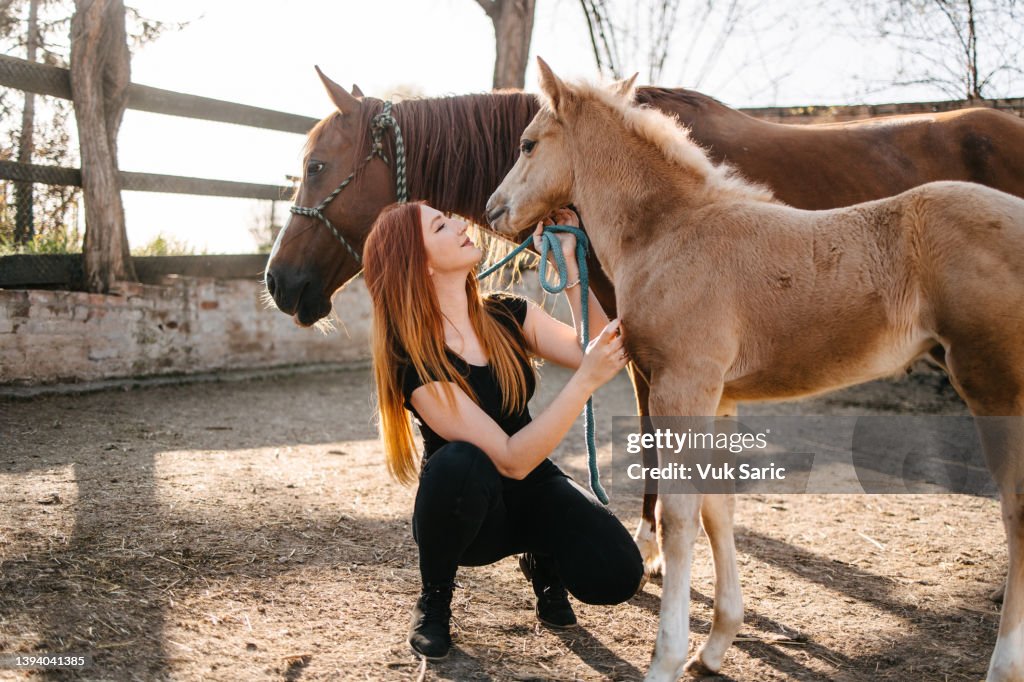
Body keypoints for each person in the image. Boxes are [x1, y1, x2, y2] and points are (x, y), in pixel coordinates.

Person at [362, 201, 644, 660]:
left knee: (618, 574)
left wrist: (569, 261)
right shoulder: (412, 358)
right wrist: (587, 380)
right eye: (441, 226)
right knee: (459, 460)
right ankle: (434, 600)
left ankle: (542, 559)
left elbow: (594, 346)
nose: (459, 225)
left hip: (533, 487)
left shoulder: (508, 313)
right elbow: (510, 458)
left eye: (449, 218)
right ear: (421, 264)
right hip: (469, 511)